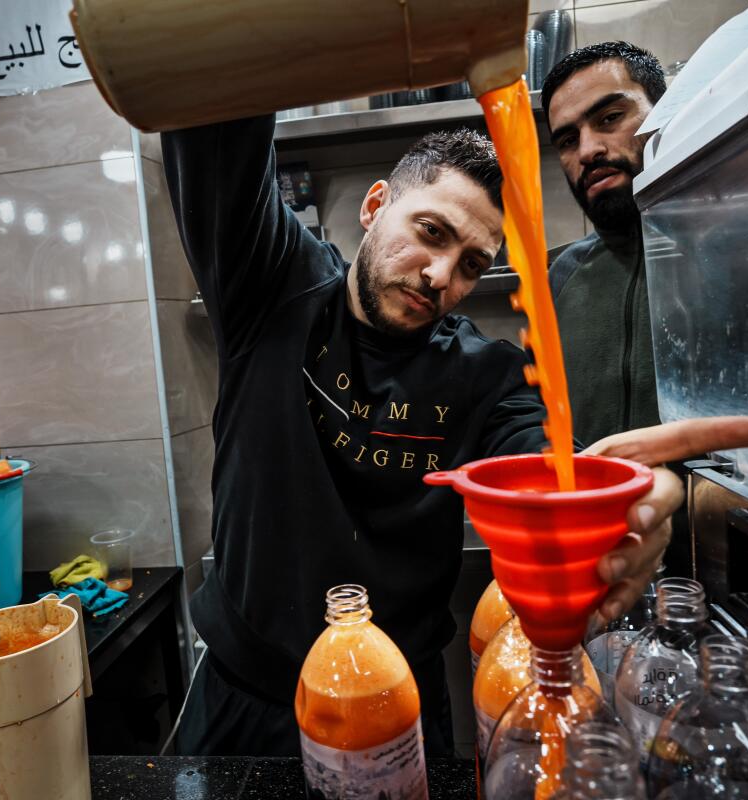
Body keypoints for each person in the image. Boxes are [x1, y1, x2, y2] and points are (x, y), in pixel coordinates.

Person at [161, 113, 682, 757]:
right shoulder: (274, 288)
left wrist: (617, 497)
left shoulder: (486, 374)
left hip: (400, 706)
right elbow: (213, 125)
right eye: (430, 232)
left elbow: (546, 467)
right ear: (376, 206)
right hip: (245, 700)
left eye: (470, 264)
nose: (440, 276)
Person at [541, 42, 667, 446]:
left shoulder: (734, 248)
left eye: (610, 118)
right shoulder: (561, 276)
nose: (588, 150)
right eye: (567, 141)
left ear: (666, 112)